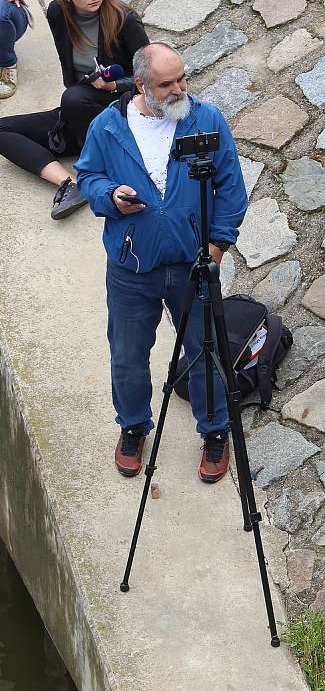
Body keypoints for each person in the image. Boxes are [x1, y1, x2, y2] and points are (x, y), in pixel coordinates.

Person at [74, 43, 248, 482]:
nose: (179, 89)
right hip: (133, 270)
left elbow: (231, 187)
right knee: (128, 356)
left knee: (205, 351)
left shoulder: (206, 119)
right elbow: (88, 177)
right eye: (167, 84)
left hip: (195, 265)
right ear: (141, 85)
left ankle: (214, 432)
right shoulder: (107, 127)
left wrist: (218, 247)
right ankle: (133, 426)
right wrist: (110, 197)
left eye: (181, 78)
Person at [0, 0, 149, 219]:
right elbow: (70, 72)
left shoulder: (124, 19)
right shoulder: (58, 12)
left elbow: (150, 77)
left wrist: (115, 86)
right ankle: (70, 184)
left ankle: (99, 169)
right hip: (78, 113)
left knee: (74, 98)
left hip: (118, 113)